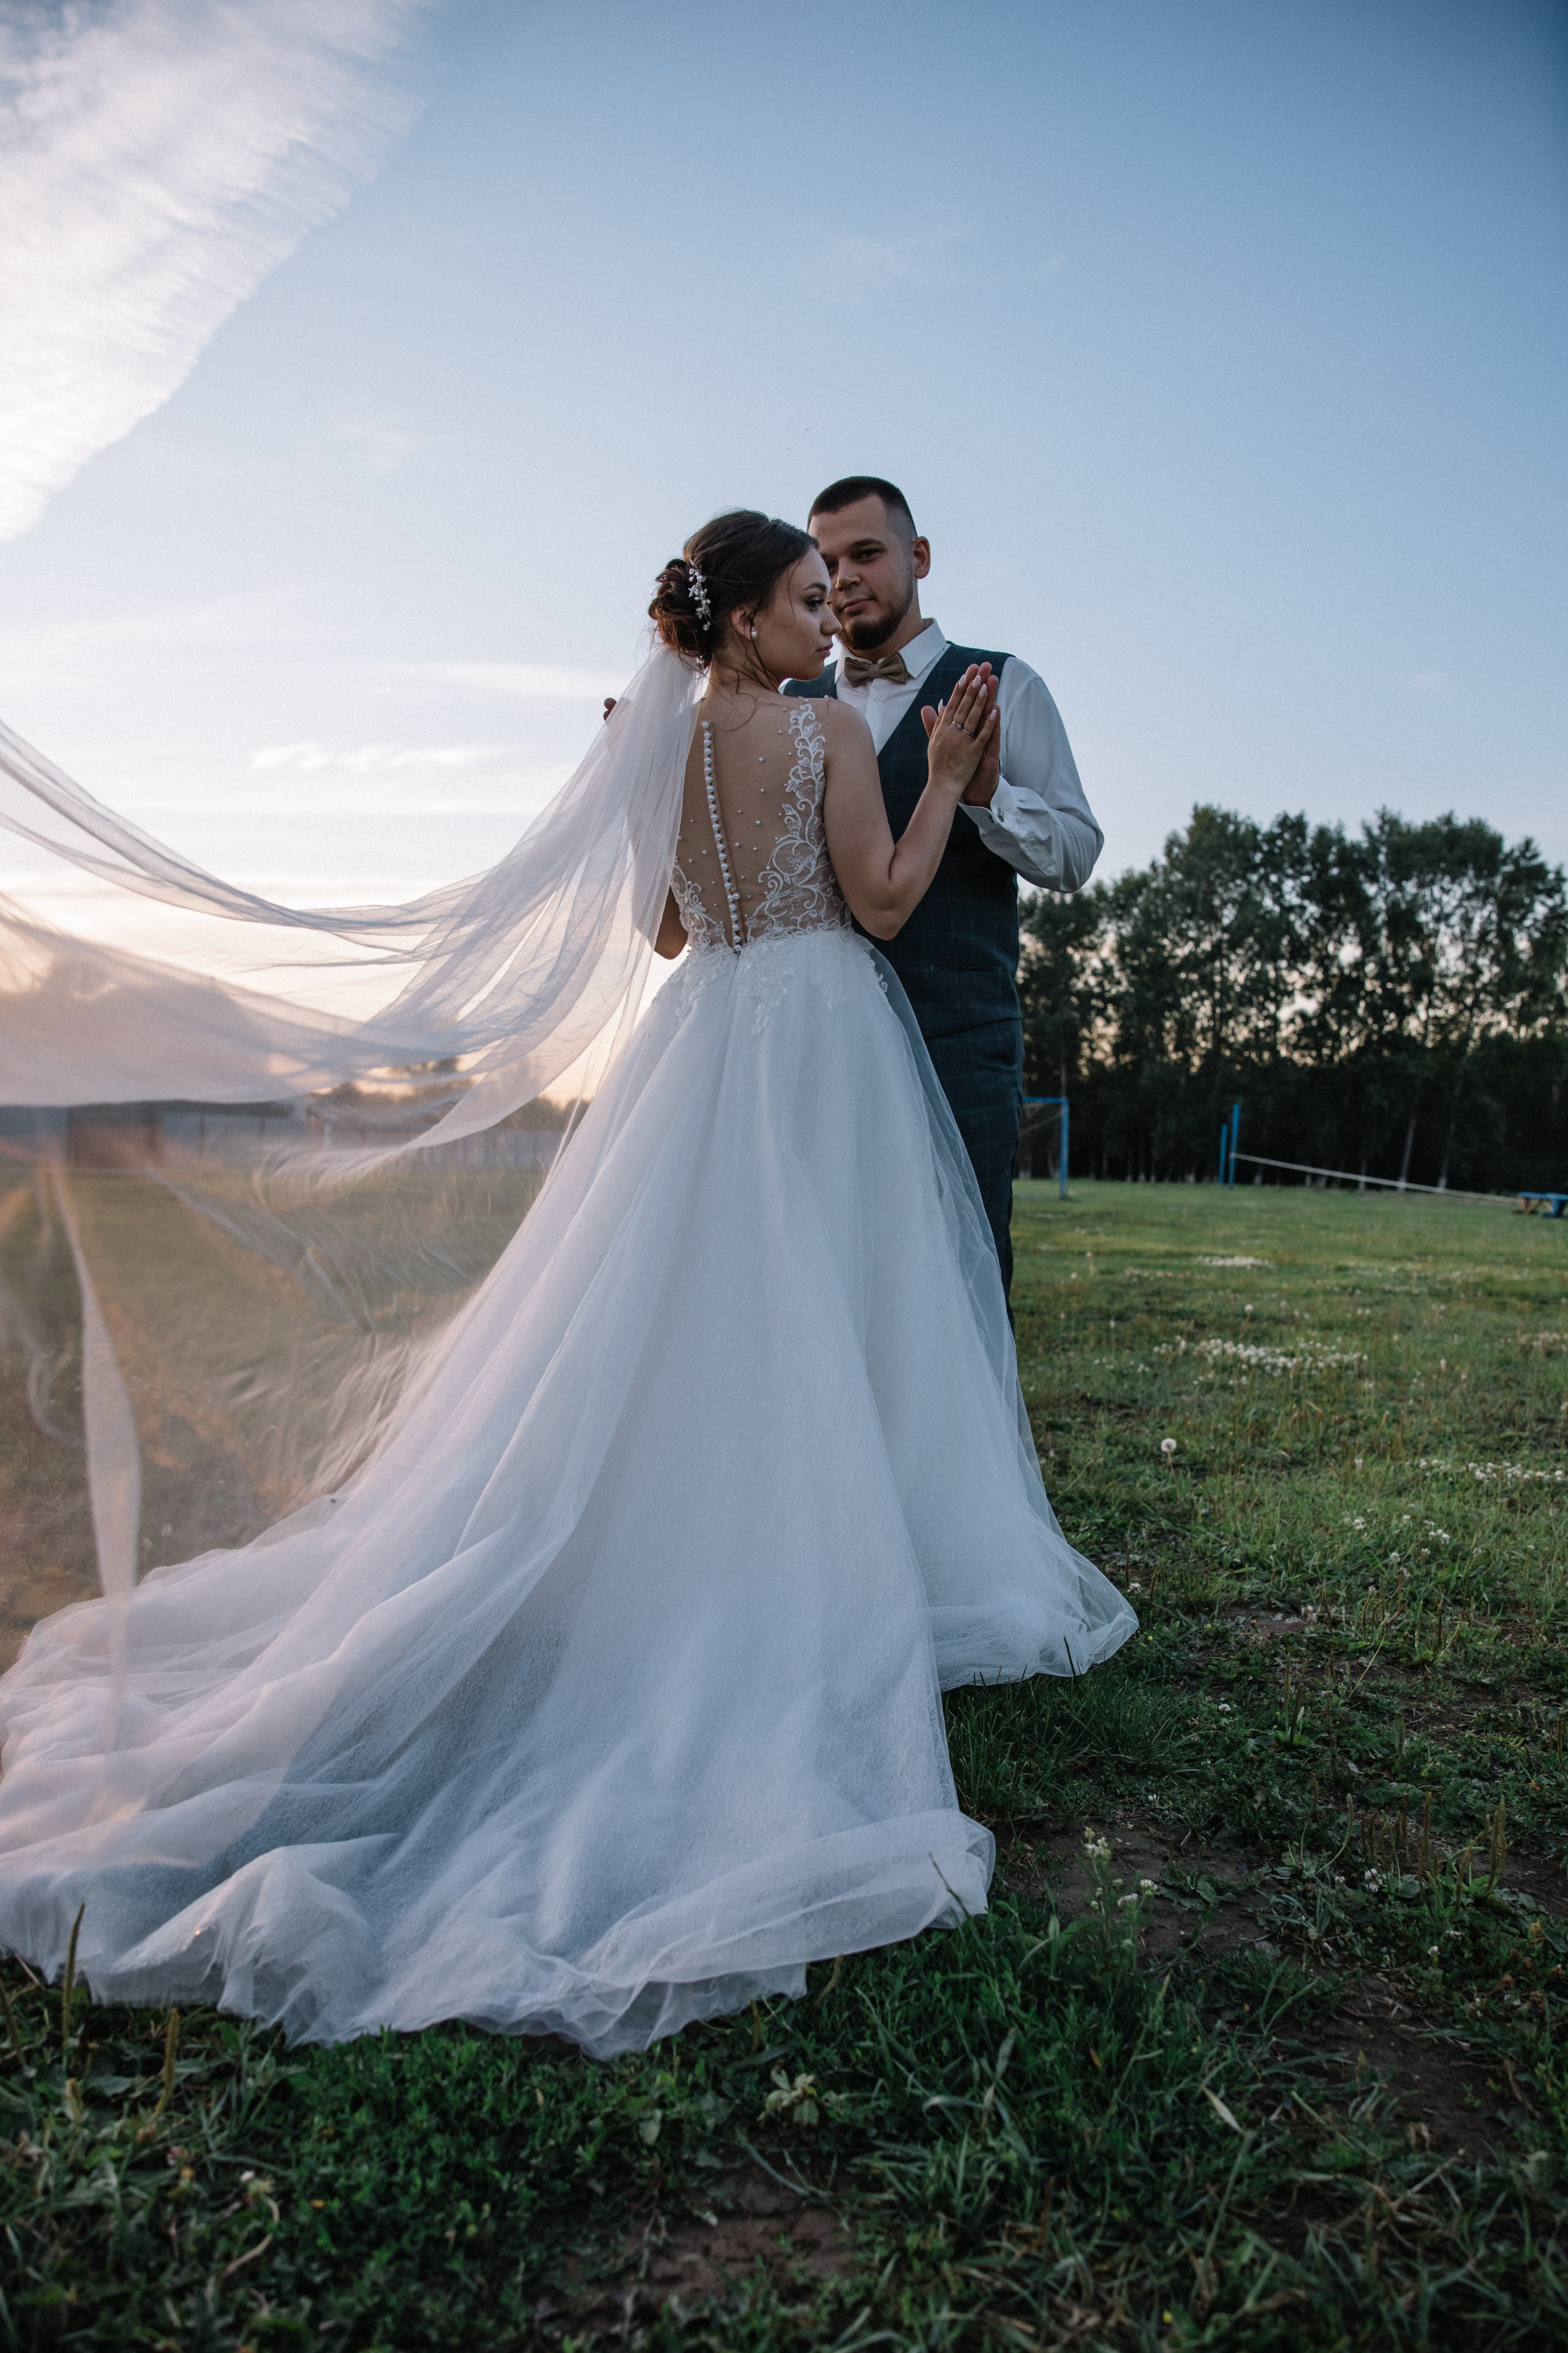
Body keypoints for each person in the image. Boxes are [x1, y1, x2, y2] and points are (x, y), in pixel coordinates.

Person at [0, 512, 1134, 2058]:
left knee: (696, 1325)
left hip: (701, 1044)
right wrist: (933, 782)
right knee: (831, 1309)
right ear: (742, 621)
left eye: (834, 591)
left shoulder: (662, 749)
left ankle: (716, 1530)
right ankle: (830, 1557)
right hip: (815, 1035)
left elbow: (664, 928)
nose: (824, 619)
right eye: (803, 599)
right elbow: (877, 904)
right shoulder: (814, 734)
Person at [786, 477, 1102, 1293]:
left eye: (866, 552)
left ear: (918, 557)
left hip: (960, 1038)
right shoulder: (793, 702)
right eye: (824, 563)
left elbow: (1075, 851)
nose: (844, 577)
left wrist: (989, 795)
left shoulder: (1003, 684)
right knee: (827, 1275)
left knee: (961, 1277)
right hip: (818, 1047)